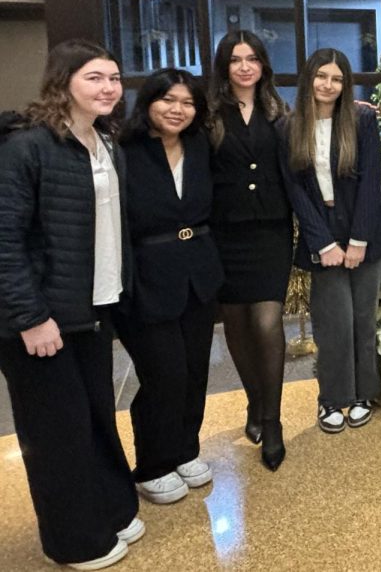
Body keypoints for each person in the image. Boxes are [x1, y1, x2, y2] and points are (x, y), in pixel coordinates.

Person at [0, 40, 140, 570]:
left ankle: (111, 509)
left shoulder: (106, 141)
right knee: (56, 434)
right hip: (40, 319)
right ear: (64, 82)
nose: (108, 88)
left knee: (95, 417)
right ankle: (75, 540)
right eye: (94, 78)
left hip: (92, 308)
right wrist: (31, 317)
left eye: (114, 78)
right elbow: (5, 239)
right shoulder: (27, 147)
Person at [115, 69, 224, 504]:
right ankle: (153, 464)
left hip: (197, 271)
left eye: (187, 103)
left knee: (195, 369)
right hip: (146, 275)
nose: (177, 110)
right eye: (168, 100)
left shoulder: (199, 146)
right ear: (148, 102)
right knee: (164, 374)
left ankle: (185, 450)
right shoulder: (125, 149)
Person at [279, 48, 381, 434]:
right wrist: (324, 243)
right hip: (323, 235)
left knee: (363, 319)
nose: (328, 85)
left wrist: (359, 239)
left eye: (336, 78)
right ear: (308, 78)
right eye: (321, 76)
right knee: (333, 324)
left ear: (344, 84)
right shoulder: (289, 126)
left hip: (366, 232)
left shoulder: (361, 119)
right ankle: (333, 398)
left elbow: (370, 183)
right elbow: (295, 191)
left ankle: (365, 392)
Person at [208, 30, 292, 471]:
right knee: (237, 326)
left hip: (270, 232)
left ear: (263, 65)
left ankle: (273, 421)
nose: (245, 66)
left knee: (266, 320)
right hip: (224, 233)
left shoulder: (278, 109)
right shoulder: (208, 114)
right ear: (225, 66)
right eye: (236, 59)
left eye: (253, 58)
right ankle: (254, 402)